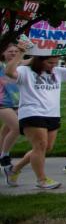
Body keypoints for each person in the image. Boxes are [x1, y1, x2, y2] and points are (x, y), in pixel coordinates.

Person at [3, 40, 66, 189]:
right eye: (50, 63)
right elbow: (9, 72)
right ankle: (41, 180)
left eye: (55, 63)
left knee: (46, 147)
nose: (53, 65)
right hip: (31, 112)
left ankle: (14, 169)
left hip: (52, 114)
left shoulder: (57, 71)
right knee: (40, 145)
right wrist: (20, 54)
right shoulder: (25, 71)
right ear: (39, 60)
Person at [0, 42, 22, 172]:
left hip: (16, 103)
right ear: (3, 53)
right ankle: (5, 156)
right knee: (17, 127)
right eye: (10, 51)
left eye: (15, 51)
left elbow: (32, 60)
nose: (13, 53)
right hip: (2, 103)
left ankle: (1, 153)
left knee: (6, 131)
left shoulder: (18, 64)